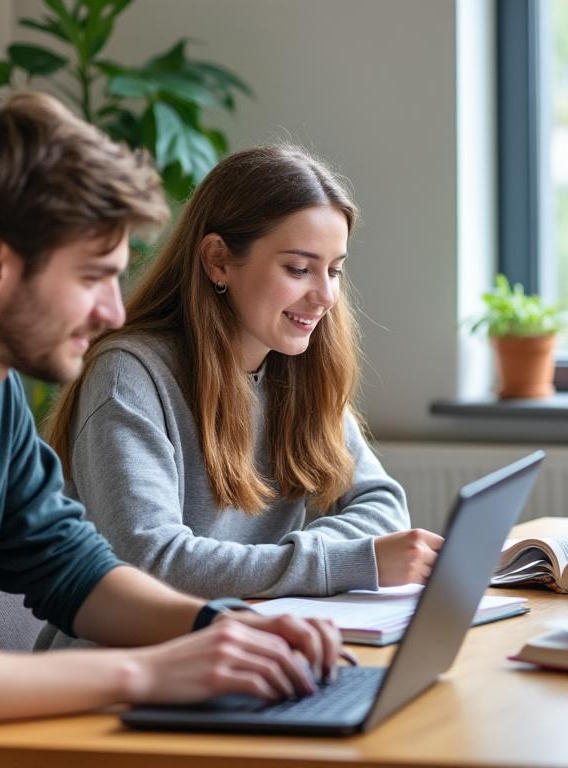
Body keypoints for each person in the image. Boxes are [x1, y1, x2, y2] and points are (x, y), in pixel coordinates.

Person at [0, 92, 342, 741]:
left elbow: (71, 570)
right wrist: (146, 673)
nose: (112, 313)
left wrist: (224, 628)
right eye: (93, 277)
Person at [36, 145, 439, 651]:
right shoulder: (129, 375)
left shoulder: (301, 368)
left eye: (333, 270)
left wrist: (316, 564)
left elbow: (382, 504)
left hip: (252, 647)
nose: (325, 296)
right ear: (219, 260)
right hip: (126, 668)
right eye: (298, 269)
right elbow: (151, 563)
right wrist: (348, 561)